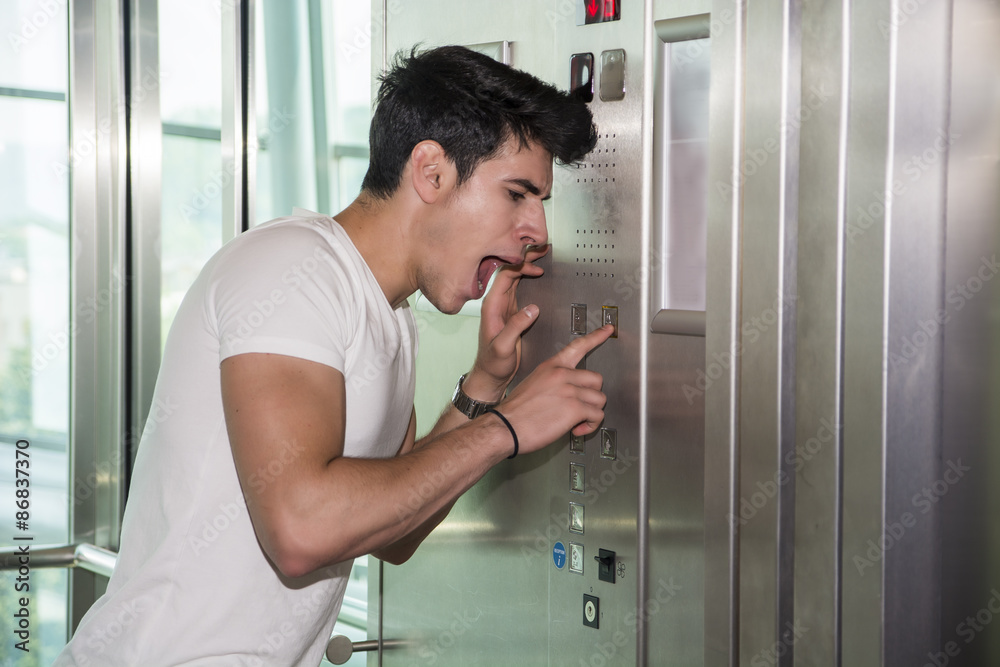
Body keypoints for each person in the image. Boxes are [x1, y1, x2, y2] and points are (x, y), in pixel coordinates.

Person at [53, 45, 612, 666]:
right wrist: (507, 429)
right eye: (517, 194)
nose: (538, 230)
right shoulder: (291, 270)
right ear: (431, 171)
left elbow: (394, 529)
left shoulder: (394, 318)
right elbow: (301, 529)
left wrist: (483, 389)